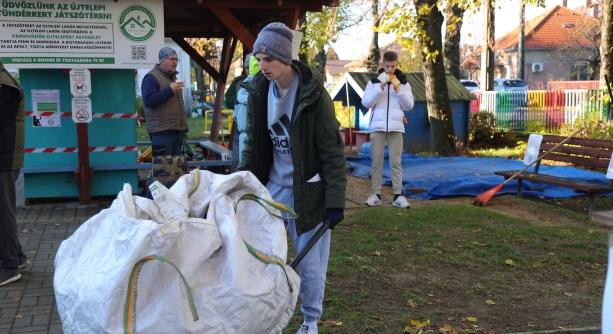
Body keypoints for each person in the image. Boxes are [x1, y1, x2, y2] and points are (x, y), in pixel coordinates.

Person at [239, 22, 346, 334]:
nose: (264, 66)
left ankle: (310, 321)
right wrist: (242, 181)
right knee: (261, 254)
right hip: (273, 187)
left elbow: (332, 152)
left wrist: (335, 202)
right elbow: (253, 144)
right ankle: (263, 312)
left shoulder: (314, 97)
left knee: (310, 263)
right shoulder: (260, 90)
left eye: (269, 59)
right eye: (259, 58)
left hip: (308, 192)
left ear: (285, 59)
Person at [361, 51, 414, 208]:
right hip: (377, 126)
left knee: (396, 161)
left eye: (393, 66)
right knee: (376, 161)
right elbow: (366, 103)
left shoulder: (404, 83)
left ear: (396, 65)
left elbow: (409, 106)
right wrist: (381, 88)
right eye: (387, 66)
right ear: (382, 65)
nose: (390, 69)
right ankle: (376, 194)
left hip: (396, 127)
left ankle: (398, 195)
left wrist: (399, 91)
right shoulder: (374, 82)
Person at [0, 61, 29, 287]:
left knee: (3, 212)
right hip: (5, 156)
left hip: (4, 158)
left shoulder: (5, 87)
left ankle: (8, 266)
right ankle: (17, 257)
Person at [141, 47, 187, 156]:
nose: (175, 62)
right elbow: (149, 101)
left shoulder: (173, 79)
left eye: (176, 59)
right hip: (161, 132)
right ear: (162, 60)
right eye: (171, 59)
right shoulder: (151, 77)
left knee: (177, 170)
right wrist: (170, 90)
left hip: (177, 131)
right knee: (164, 170)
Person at [231, 54, 260, 171]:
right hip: (250, 135)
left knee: (241, 166)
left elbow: (233, 103)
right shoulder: (243, 85)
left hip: (242, 132)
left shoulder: (242, 86)